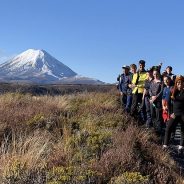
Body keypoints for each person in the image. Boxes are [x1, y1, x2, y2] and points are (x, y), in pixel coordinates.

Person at [163, 76, 184, 155]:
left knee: (183, 130)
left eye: (181, 83)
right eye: (178, 83)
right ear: (176, 83)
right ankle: (165, 145)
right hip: (174, 114)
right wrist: (171, 112)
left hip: (183, 114)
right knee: (168, 128)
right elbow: (168, 102)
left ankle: (181, 147)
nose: (180, 85)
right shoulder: (173, 91)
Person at [149, 69, 164, 133]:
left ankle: (159, 130)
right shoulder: (152, 81)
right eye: (154, 74)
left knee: (158, 116)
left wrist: (156, 97)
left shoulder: (161, 82)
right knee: (152, 115)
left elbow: (161, 91)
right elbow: (149, 90)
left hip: (158, 101)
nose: (155, 75)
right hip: (152, 101)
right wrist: (151, 96)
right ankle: (154, 129)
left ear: (159, 74)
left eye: (156, 74)